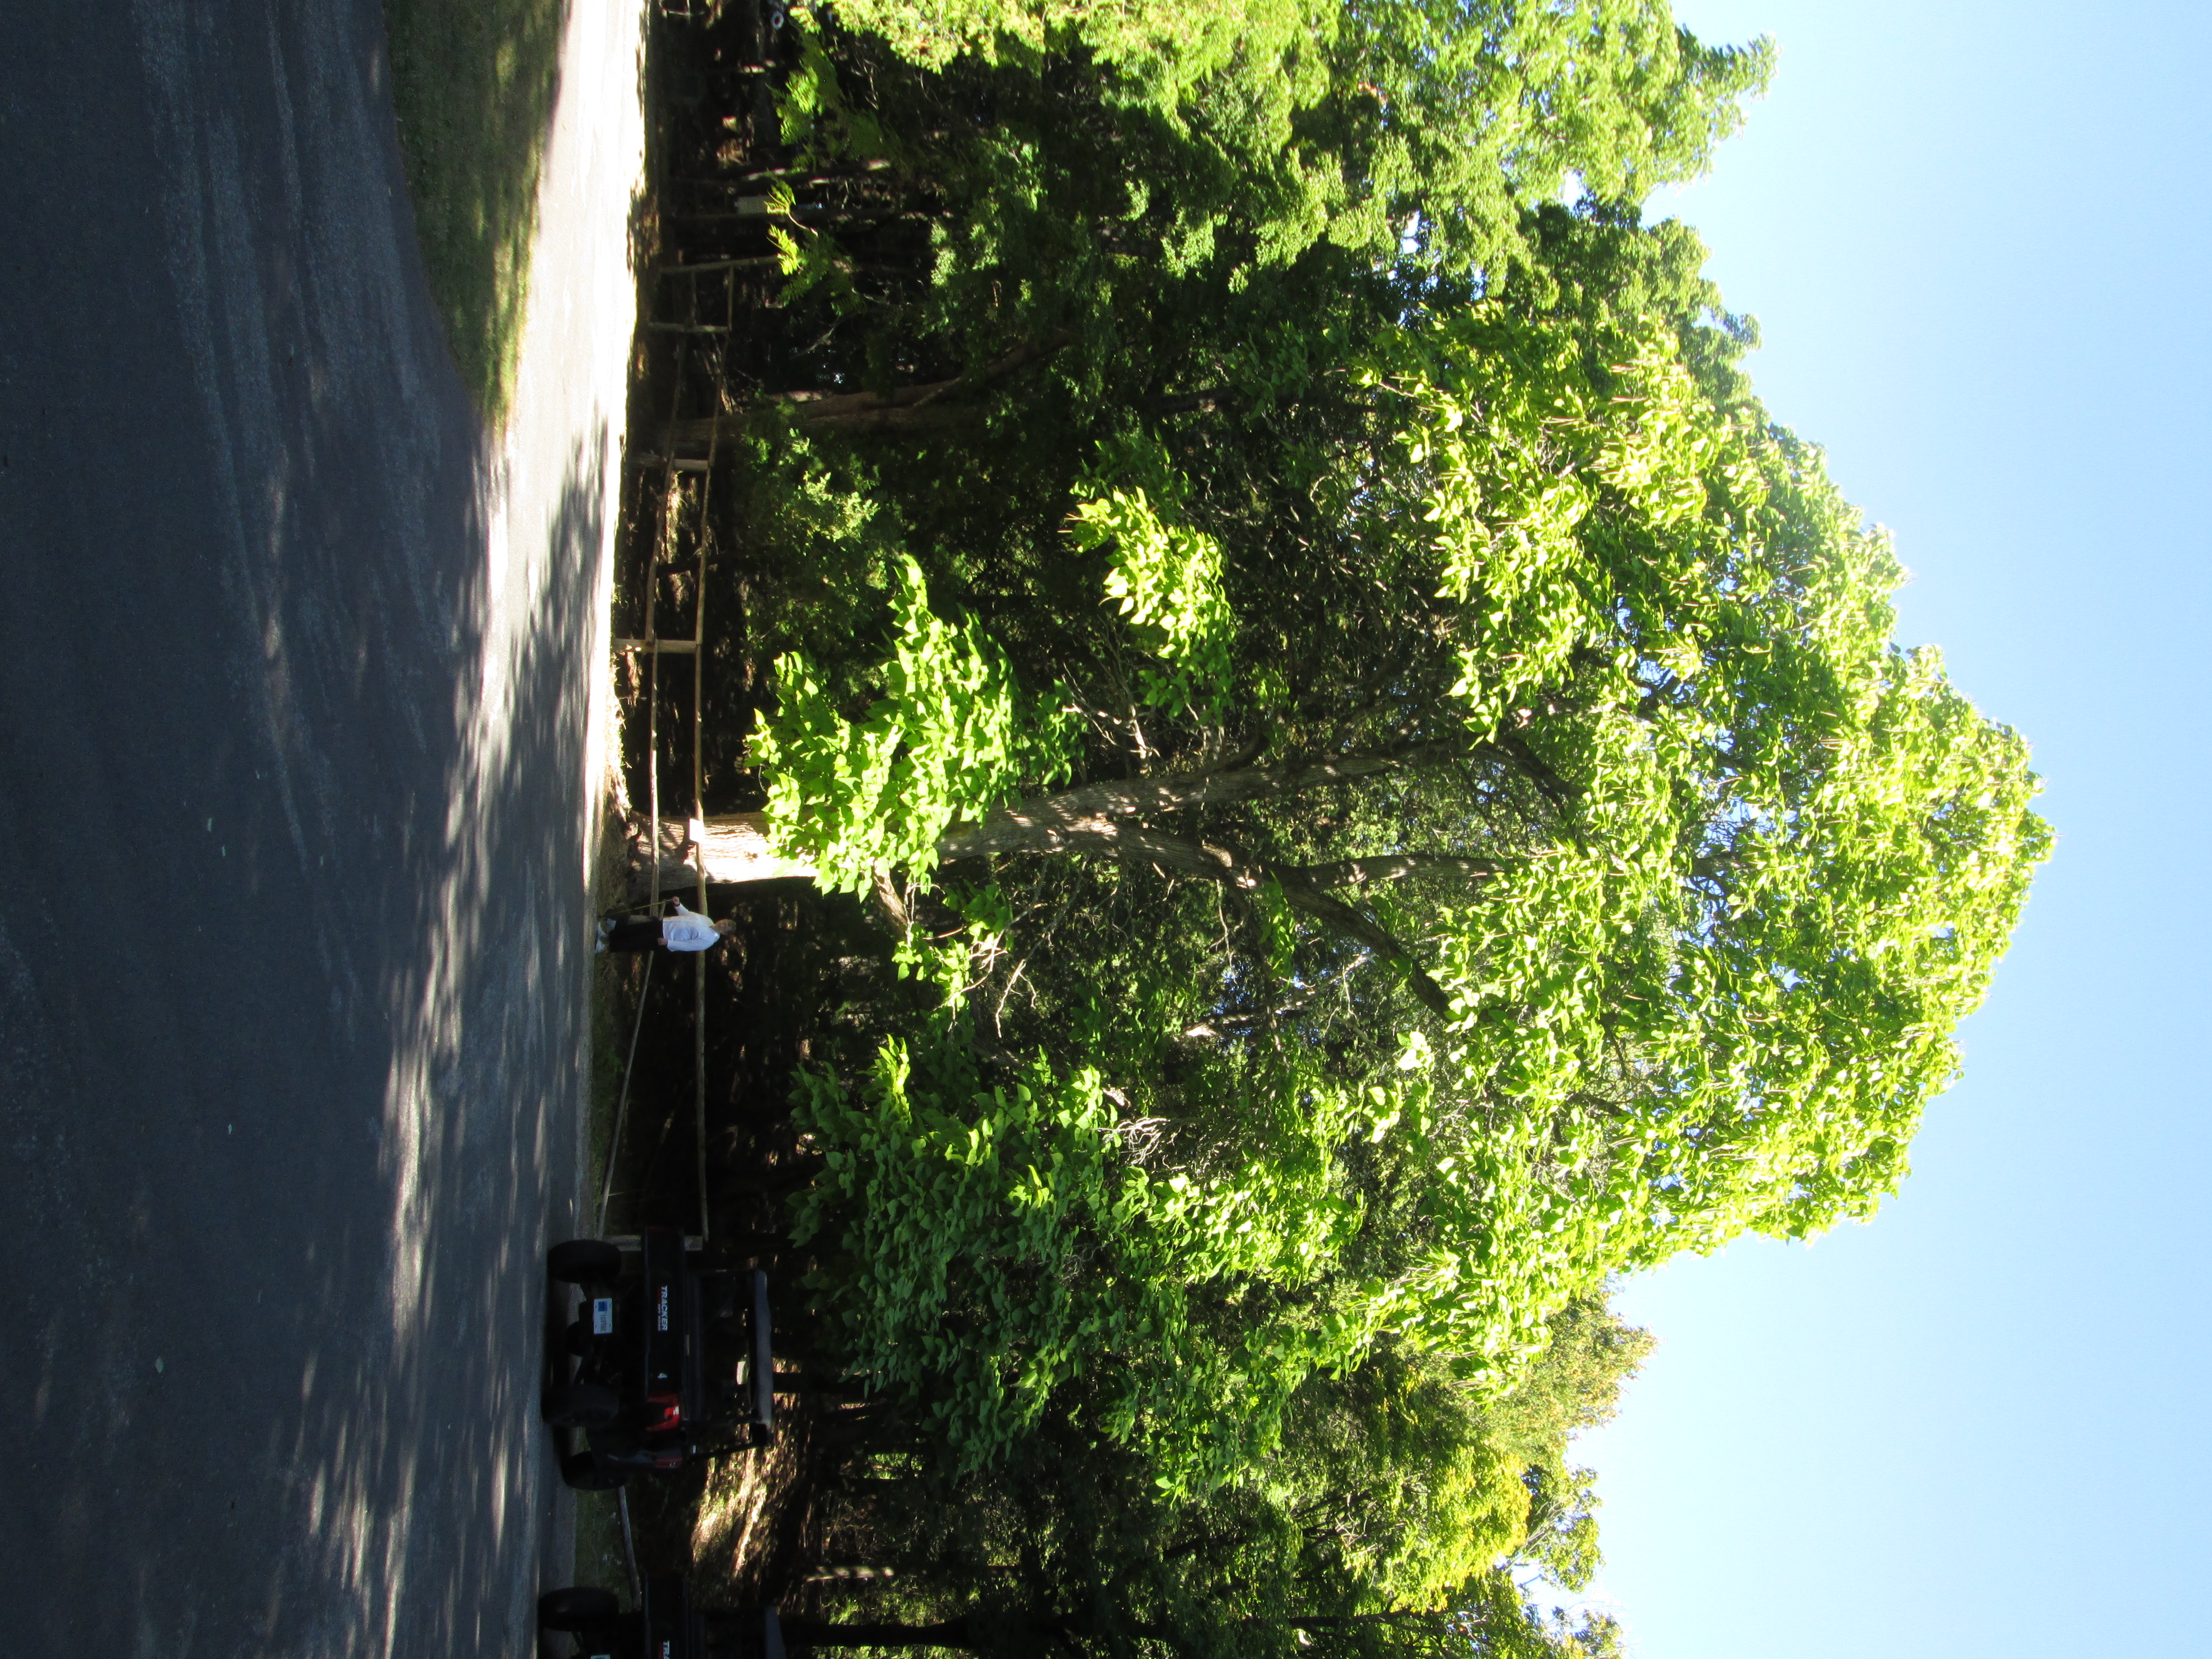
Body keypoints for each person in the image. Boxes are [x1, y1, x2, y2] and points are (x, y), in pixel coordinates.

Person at [597, 899, 736, 954]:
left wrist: (668, 943)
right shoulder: (707, 920)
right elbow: (687, 915)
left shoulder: (708, 940)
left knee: (635, 942)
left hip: (664, 938)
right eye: (724, 923)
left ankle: (603, 948)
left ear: (724, 934)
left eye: (725, 928)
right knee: (632, 931)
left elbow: (687, 946)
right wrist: (678, 905)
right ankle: (605, 936)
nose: (722, 925)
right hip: (664, 924)